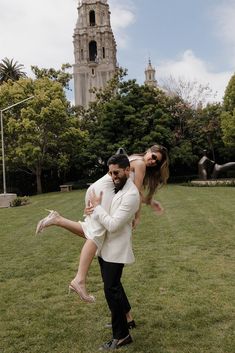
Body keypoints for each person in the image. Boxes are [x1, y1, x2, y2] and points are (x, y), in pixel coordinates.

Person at [36, 144, 169, 306]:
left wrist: (150, 201)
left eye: (157, 161)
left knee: (94, 231)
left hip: (98, 189)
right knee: (97, 234)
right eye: (153, 156)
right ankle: (79, 280)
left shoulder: (136, 159)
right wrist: (137, 216)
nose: (153, 161)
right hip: (102, 192)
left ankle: (57, 220)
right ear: (148, 151)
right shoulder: (140, 163)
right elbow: (134, 191)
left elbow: (133, 192)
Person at [89, 153, 140, 349]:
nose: (113, 176)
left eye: (116, 172)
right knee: (114, 288)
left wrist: (97, 208)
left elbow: (112, 225)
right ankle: (125, 321)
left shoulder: (131, 195)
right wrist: (92, 210)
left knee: (111, 290)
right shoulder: (118, 187)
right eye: (110, 173)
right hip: (106, 248)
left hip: (116, 250)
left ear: (128, 170)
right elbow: (106, 212)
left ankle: (122, 336)